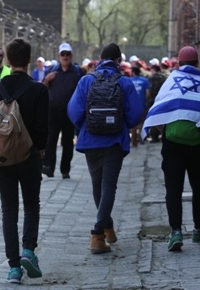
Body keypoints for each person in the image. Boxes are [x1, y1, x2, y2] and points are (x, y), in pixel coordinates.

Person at [141, 46, 200, 252]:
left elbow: (157, 109)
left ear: (178, 63)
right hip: (197, 145)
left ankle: (175, 232)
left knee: (173, 189)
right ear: (197, 63)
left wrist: (164, 130)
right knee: (199, 187)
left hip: (172, 145)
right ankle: (199, 228)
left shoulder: (170, 81)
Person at [0, 38, 49, 284]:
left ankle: (13, 267)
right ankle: (29, 250)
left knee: (9, 209)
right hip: (29, 157)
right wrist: (38, 150)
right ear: (29, 60)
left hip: (2, 159)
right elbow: (43, 131)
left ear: (8, 60)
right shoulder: (39, 90)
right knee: (31, 204)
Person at [67, 43, 142, 254]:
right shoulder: (125, 83)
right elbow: (135, 115)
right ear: (119, 60)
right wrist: (120, 124)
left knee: (97, 184)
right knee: (109, 186)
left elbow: (73, 111)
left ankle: (107, 227)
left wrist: (87, 127)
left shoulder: (86, 80)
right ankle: (97, 233)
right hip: (114, 142)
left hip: (90, 141)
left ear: (100, 59)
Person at [41, 42, 84, 179]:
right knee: (51, 140)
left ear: (71, 55)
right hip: (53, 112)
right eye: (63, 54)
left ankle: (65, 169)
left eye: (67, 54)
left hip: (69, 113)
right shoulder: (52, 71)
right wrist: (47, 80)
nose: (65, 57)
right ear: (59, 56)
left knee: (67, 142)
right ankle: (49, 167)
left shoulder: (77, 72)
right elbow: (42, 89)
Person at [129, 66, 150, 147]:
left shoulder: (129, 81)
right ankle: (141, 138)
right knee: (141, 122)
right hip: (142, 104)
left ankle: (134, 141)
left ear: (133, 72)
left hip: (132, 105)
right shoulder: (144, 80)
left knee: (133, 123)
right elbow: (148, 93)